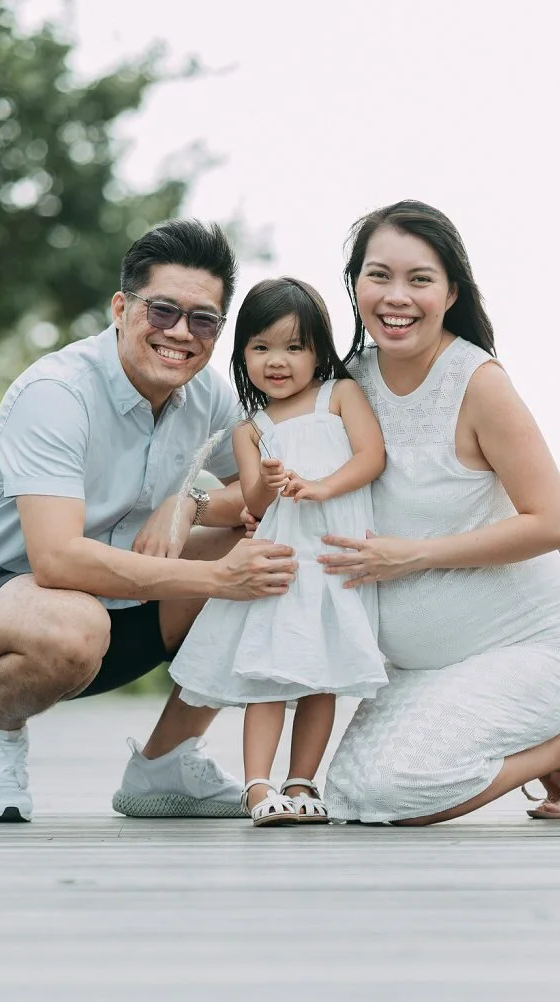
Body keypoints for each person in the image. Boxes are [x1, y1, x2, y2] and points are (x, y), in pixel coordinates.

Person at [0, 219, 297, 823]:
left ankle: (165, 762)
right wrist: (220, 580)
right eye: (163, 310)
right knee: (77, 623)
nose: (180, 333)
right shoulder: (57, 394)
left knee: (271, 548)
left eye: (203, 320)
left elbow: (255, 494)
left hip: (116, 615)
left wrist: (188, 502)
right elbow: (57, 560)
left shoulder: (209, 396)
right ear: (121, 307)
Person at [317, 200, 560, 824]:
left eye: (420, 279)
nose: (397, 297)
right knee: (352, 796)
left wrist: (415, 554)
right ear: (355, 283)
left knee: (399, 792)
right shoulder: (349, 384)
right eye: (378, 275)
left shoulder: (477, 383)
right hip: (423, 665)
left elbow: (552, 522)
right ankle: (553, 746)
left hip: (534, 645)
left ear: (450, 292)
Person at [170, 278, 388, 826]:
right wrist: (268, 479)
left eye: (295, 347)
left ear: (319, 351)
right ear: (242, 352)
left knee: (322, 677)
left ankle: (302, 780)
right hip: (280, 566)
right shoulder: (250, 428)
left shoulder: (339, 395)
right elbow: (253, 500)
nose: (277, 360)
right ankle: (258, 785)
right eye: (261, 347)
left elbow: (371, 457)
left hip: (334, 559)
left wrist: (324, 486)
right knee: (268, 674)